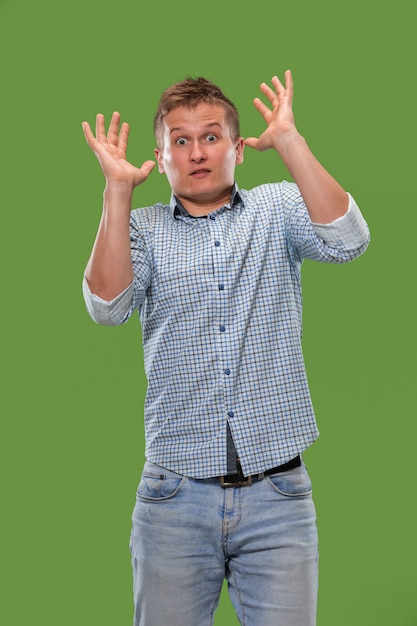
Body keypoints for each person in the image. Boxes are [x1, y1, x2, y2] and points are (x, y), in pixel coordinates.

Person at [82, 70, 370, 626]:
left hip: (278, 498)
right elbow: (107, 308)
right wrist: (117, 191)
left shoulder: (276, 209)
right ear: (160, 156)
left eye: (211, 137)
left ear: (237, 148)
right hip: (173, 499)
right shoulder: (140, 229)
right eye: (180, 140)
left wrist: (290, 141)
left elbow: (349, 241)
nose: (196, 152)